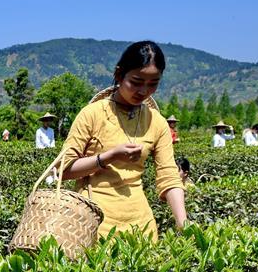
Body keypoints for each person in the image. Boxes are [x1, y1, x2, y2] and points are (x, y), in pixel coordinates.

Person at [61, 40, 187, 240]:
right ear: (119, 75)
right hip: (94, 223)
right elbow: (62, 170)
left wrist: (183, 224)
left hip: (140, 226)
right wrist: (109, 157)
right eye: (136, 82)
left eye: (153, 84)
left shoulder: (157, 122)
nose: (144, 91)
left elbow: (169, 176)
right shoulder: (93, 114)